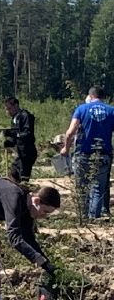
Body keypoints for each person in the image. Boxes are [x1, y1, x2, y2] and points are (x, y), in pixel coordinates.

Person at [61, 86, 114, 219]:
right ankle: (94, 218)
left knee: (81, 187)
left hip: (83, 153)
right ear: (103, 97)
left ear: (90, 96)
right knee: (97, 188)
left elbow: (70, 133)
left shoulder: (81, 109)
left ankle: (83, 217)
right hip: (103, 154)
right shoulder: (111, 111)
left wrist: (66, 149)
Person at [2, 97, 37, 183]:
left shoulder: (25, 116)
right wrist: (9, 142)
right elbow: (15, 137)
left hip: (27, 152)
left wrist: (14, 134)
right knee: (14, 172)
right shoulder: (14, 119)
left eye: (9, 108)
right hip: (20, 153)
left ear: (16, 105)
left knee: (23, 177)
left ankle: (24, 193)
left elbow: (27, 134)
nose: (8, 111)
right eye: (7, 109)